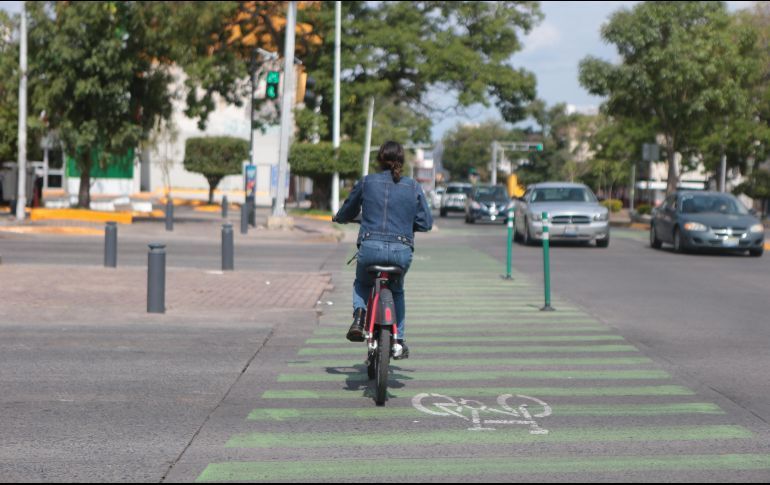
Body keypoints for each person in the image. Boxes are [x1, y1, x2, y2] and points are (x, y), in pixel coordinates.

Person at [334, 141, 433, 358]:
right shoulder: (414, 186)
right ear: (402, 161)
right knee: (396, 291)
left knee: (362, 282)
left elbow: (348, 210)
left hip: (370, 248)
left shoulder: (367, 182)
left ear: (379, 159)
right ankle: (398, 340)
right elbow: (426, 223)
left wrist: (340, 217)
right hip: (401, 251)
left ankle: (360, 317)